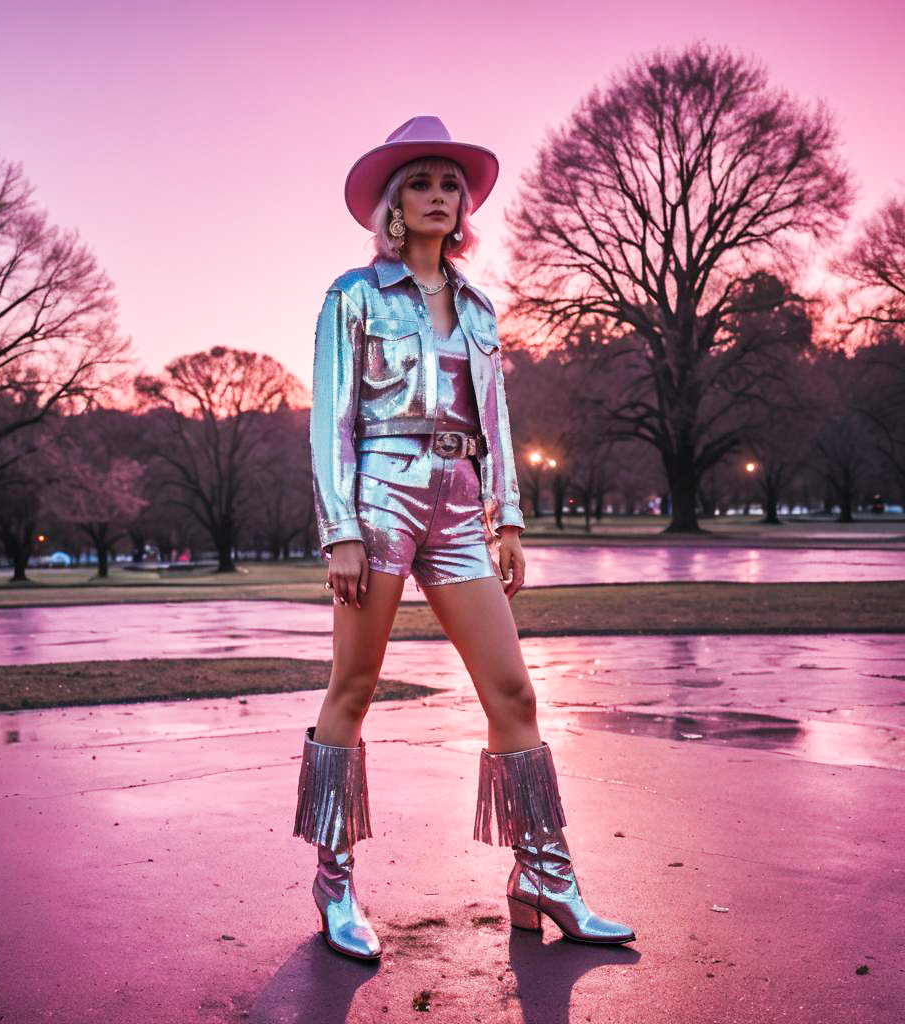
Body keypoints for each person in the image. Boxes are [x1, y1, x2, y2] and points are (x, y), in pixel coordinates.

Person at [292, 116, 636, 960]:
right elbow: (330, 419)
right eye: (422, 183)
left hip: (460, 503)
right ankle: (334, 884)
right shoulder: (353, 296)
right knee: (356, 683)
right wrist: (339, 527)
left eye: (451, 184)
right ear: (393, 203)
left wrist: (509, 516)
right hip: (379, 494)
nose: (440, 196)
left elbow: (497, 420)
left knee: (513, 692)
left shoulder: (480, 308)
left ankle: (543, 875)